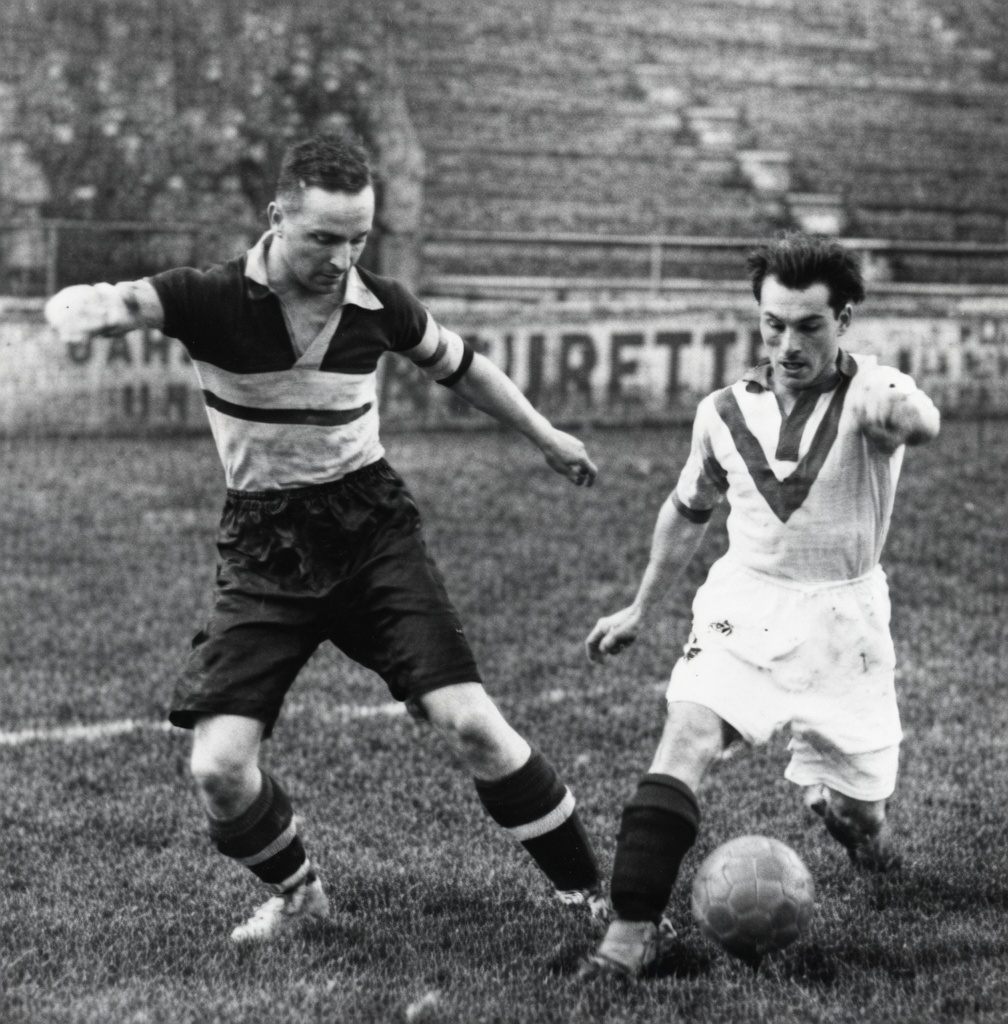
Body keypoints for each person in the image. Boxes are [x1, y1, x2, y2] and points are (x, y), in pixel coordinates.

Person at [44, 132, 605, 943]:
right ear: (277, 217)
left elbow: (464, 365)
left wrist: (545, 434)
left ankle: (592, 900)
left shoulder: (380, 304)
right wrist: (82, 306)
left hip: (372, 531)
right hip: (265, 547)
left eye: (358, 238)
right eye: (323, 238)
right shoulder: (208, 297)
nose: (342, 257)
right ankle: (301, 896)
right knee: (218, 768)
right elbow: (121, 302)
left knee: (473, 722)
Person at [580, 233, 941, 978]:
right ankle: (629, 936)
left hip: (847, 627)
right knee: (686, 735)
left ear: (843, 319)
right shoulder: (720, 412)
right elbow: (687, 509)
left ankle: (847, 819)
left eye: (808, 325)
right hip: (743, 604)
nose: (787, 343)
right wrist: (641, 607)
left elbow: (919, 415)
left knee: (861, 817)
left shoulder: (872, 391)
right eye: (773, 324)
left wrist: (904, 414)